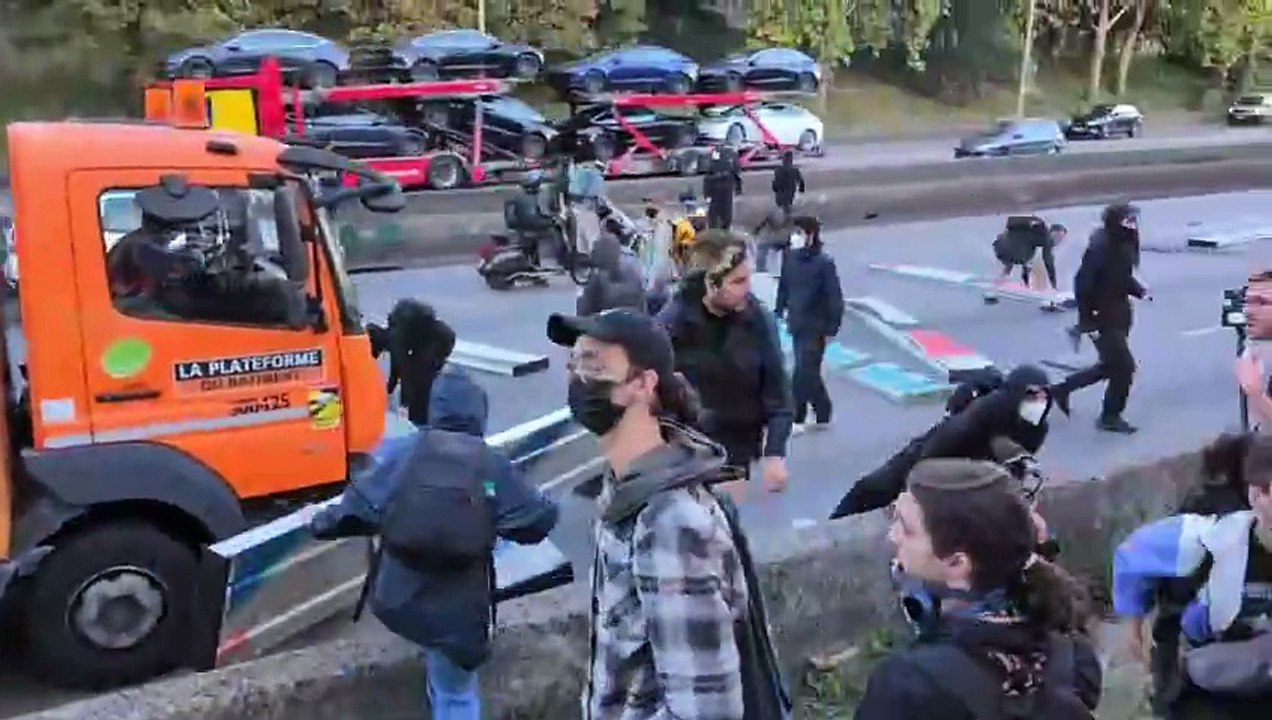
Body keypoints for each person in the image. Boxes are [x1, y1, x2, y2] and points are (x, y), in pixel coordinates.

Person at [545, 309, 792, 720]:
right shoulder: (626, 489)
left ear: (643, 384)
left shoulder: (669, 524)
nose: (577, 378)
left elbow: (705, 712)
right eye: (574, 363)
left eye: (594, 364)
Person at [310, 364, 560, 720]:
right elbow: (539, 520)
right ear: (479, 412)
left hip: (399, 602)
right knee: (455, 695)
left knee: (432, 652)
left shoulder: (405, 451)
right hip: (458, 616)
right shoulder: (490, 463)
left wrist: (316, 524)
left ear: (435, 408)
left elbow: (354, 511)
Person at [855, 458, 1101, 720]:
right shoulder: (1071, 655)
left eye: (906, 528)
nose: (893, 536)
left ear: (958, 564)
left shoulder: (908, 686)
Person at [1112, 430, 1272, 720]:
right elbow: (1131, 555)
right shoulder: (1206, 540)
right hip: (1204, 688)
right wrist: (1135, 629)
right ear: (1257, 493)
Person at [657, 230, 793, 491]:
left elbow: (777, 391)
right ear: (710, 283)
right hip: (685, 456)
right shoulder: (671, 327)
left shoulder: (758, 320)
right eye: (738, 281)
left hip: (736, 451)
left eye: (748, 278)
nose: (748, 288)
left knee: (725, 521)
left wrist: (774, 451)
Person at [830, 365, 1054, 519]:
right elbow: (930, 455)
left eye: (1043, 397)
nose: (1038, 403)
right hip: (923, 460)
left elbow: (1013, 467)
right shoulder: (980, 416)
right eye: (1032, 396)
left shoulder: (1037, 429)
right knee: (870, 489)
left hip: (962, 484)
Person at [1051, 203, 1150, 434]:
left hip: (1120, 314)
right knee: (1124, 368)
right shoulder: (1100, 246)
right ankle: (1110, 416)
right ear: (1116, 221)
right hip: (1101, 317)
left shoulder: (1124, 243)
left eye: (1134, 220)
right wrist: (1087, 320)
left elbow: (1120, 277)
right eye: (1128, 220)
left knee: (1110, 365)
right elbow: (1082, 283)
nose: (1133, 224)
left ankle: (1063, 388)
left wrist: (1139, 290)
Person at [774, 216, 844, 429]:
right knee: (807, 370)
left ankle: (798, 415)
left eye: (799, 232)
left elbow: (834, 296)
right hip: (796, 322)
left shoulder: (824, 263)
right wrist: (779, 308)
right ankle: (821, 411)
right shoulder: (790, 258)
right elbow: (784, 286)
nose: (794, 237)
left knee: (804, 370)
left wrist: (833, 326)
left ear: (811, 235)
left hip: (816, 324)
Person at [370, 299, 457, 428]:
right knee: (423, 395)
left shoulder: (398, 338)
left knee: (418, 400)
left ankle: (421, 427)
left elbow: (400, 369)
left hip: (422, 359)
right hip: (428, 356)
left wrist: (397, 397)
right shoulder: (436, 330)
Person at [985, 217, 1067, 307]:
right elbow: (1048, 263)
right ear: (1052, 233)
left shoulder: (1034, 230)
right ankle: (1021, 282)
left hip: (1000, 247)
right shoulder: (1045, 237)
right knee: (1032, 257)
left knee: (1026, 254)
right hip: (1012, 251)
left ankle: (1002, 279)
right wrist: (1054, 286)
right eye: (1058, 238)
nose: (1058, 242)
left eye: (1061, 240)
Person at [577, 231, 646, 316]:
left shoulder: (598, 280)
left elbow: (584, 314)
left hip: (607, 326)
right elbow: (643, 307)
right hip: (635, 324)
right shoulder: (633, 274)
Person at [504, 174, 558, 267]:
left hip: (522, 228)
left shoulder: (517, 196)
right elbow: (548, 211)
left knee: (528, 247)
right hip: (535, 227)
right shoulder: (542, 195)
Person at [703, 149, 742, 230]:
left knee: (716, 212)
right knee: (724, 212)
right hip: (724, 189)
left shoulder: (714, 166)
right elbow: (737, 176)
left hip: (719, 189)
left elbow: (707, 179)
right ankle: (722, 228)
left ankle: (717, 228)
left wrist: (707, 195)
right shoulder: (727, 165)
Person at [751, 204, 793, 275]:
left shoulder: (773, 211)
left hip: (772, 240)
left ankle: (760, 268)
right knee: (786, 252)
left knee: (761, 247)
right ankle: (786, 268)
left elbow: (766, 222)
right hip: (784, 241)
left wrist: (756, 230)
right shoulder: (790, 213)